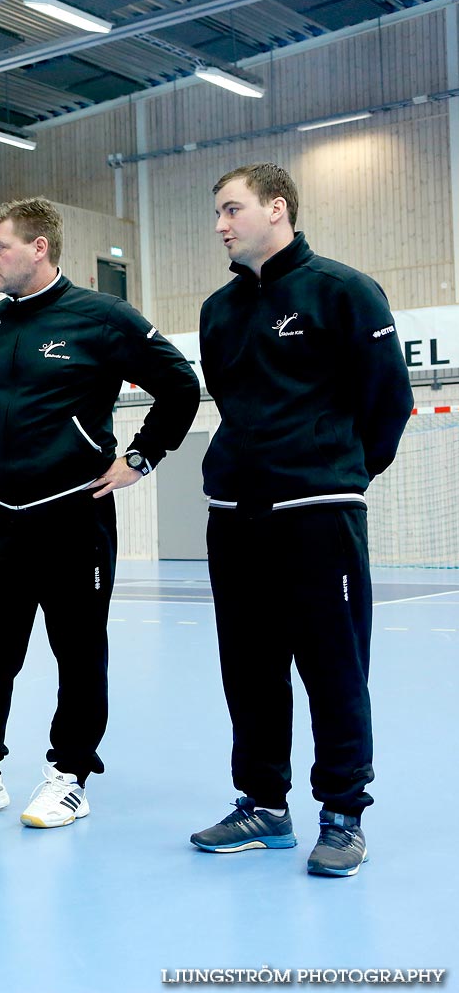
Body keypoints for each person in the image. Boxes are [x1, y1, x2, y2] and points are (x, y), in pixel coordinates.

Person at [0, 197, 199, 827]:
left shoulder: (101, 317)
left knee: (77, 648)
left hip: (74, 517)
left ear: (38, 247)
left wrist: (141, 459)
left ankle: (69, 774)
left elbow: (180, 385)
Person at [188, 163, 412, 877]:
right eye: (217, 213)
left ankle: (343, 813)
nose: (220, 225)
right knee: (249, 669)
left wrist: (335, 474)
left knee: (334, 668)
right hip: (234, 516)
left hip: (318, 514)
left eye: (232, 209)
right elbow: (227, 397)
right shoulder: (218, 310)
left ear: (276, 208)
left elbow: (388, 404)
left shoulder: (344, 292)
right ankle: (263, 805)